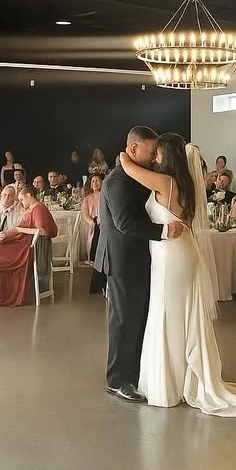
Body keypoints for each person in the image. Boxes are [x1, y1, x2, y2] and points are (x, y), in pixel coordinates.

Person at [117, 132, 236, 416]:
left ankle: (167, 386)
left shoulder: (166, 183)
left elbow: (128, 167)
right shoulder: (186, 184)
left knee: (168, 314)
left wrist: (125, 151)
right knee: (179, 314)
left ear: (167, 156)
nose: (154, 156)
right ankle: (180, 378)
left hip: (171, 256)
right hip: (179, 252)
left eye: (157, 152)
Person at [94, 126, 184, 402]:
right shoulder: (117, 181)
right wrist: (163, 232)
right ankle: (118, 380)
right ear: (134, 149)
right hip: (121, 260)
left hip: (138, 258)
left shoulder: (135, 175)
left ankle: (134, 373)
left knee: (138, 317)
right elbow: (124, 223)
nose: (155, 155)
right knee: (123, 320)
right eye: (151, 150)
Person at [0, 186, 58, 307]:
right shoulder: (31, 208)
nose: (21, 203)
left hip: (26, 247)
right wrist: (3, 235)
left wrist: (19, 229)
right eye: (4, 195)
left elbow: (42, 231)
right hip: (22, 242)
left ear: (29, 196)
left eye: (22, 199)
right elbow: (17, 229)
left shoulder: (38, 209)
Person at [82, 174, 103, 262]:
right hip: (94, 224)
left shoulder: (105, 196)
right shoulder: (87, 199)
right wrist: (92, 222)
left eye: (97, 180)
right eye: (93, 181)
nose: (95, 183)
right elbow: (86, 215)